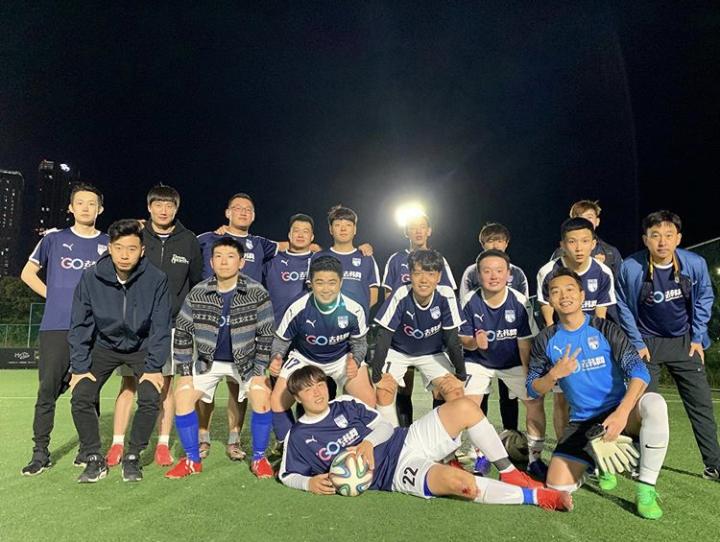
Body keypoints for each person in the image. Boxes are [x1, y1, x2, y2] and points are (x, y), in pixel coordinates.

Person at [278, 365, 572, 511]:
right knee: (463, 485)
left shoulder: (345, 404)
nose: (317, 392)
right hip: (395, 473)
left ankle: (510, 473)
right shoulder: (299, 435)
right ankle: (538, 497)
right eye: (307, 389)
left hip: (406, 439)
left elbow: (383, 427)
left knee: (465, 406)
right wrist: (308, 483)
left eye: (320, 384)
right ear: (297, 397)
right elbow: (288, 474)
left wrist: (367, 443)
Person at [527, 268, 669, 519]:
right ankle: (596, 461)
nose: (564, 296)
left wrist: (622, 413)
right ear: (549, 300)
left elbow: (639, 370)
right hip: (583, 422)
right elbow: (532, 387)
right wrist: (553, 375)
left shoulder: (604, 328)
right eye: (556, 292)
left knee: (655, 403)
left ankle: (646, 488)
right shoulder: (546, 339)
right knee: (556, 487)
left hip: (619, 412)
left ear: (582, 295)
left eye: (570, 289)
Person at [615, 210, 720, 481]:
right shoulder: (631, 267)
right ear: (645, 239)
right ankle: (639, 460)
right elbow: (623, 306)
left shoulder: (694, 263)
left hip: (684, 343)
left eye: (668, 235)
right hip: (646, 344)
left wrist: (697, 337)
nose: (662, 242)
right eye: (655, 236)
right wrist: (637, 342)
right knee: (644, 407)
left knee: (701, 405)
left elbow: (704, 298)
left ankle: (714, 465)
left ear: (678, 238)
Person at [68, 219, 171, 483]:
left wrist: (153, 368)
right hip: (105, 345)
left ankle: (133, 455)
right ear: (110, 248)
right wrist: (79, 368)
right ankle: (93, 457)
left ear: (142, 251)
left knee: (150, 395)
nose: (125, 255)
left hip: (141, 346)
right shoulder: (91, 276)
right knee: (81, 394)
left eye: (132, 249)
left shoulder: (156, 279)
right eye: (119, 248)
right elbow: (80, 323)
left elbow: (161, 325)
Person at [107, 184, 203, 468]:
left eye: (169, 205)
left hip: (171, 326)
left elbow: (196, 283)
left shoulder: (189, 240)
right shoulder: (136, 234)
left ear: (176, 208)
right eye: (158, 204)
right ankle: (117, 443)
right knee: (129, 384)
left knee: (165, 385)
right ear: (149, 207)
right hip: (135, 325)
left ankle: (162, 444)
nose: (164, 210)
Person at [164, 237, 275, 479]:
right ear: (212, 262)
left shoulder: (256, 291)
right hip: (208, 361)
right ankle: (192, 460)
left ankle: (259, 458)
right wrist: (184, 372)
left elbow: (267, 333)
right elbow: (182, 332)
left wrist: (259, 370)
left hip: (244, 362)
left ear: (241, 262)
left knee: (262, 396)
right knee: (182, 396)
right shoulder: (199, 292)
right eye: (219, 257)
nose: (224, 262)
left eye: (230, 256)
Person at [20, 183, 108, 476]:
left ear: (100, 209)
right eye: (80, 202)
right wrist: (54, 296)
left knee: (89, 391)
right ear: (71, 207)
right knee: (48, 390)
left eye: (91, 203)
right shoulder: (54, 239)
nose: (85, 207)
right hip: (57, 326)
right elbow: (27, 273)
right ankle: (40, 452)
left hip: (94, 329)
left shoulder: (109, 243)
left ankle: (87, 450)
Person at [195, 193, 280, 460]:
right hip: (210, 324)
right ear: (227, 212)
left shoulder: (260, 244)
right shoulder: (207, 238)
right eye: (237, 208)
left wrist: (314, 245)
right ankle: (202, 438)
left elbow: (292, 244)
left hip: (245, 326)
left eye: (248, 209)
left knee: (239, 389)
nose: (243, 212)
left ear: (253, 216)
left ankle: (234, 440)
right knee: (203, 389)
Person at [459, 250, 548, 480]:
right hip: (478, 361)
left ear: (508, 274)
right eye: (487, 271)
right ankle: (480, 456)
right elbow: (464, 339)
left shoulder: (519, 301)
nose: (494, 276)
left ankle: (535, 460)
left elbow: (525, 343)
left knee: (535, 401)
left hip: (512, 361)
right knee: (470, 407)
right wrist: (474, 342)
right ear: (478, 275)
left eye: (499, 270)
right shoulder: (469, 301)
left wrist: (529, 377)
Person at [270, 255, 376, 442]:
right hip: (305, 359)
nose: (326, 289)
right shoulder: (297, 307)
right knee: (277, 402)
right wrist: (277, 356)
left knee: (368, 402)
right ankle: (290, 446)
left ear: (340, 282)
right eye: (319, 282)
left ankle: (356, 444)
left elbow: (359, 342)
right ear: (311, 283)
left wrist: (356, 359)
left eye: (332, 282)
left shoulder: (354, 308)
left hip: (342, 358)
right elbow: (281, 340)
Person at [536, 217, 617, 438]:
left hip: (591, 343)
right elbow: (548, 316)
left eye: (584, 241)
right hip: (562, 344)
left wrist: (597, 348)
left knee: (598, 396)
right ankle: (565, 447)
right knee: (561, 399)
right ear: (562, 245)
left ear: (594, 243)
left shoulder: (603, 272)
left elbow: (600, 317)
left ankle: (598, 448)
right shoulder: (548, 271)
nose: (579, 248)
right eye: (572, 242)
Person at [372, 249, 466, 427]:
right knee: (384, 391)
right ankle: (393, 440)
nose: (424, 280)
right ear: (409, 275)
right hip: (398, 352)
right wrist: (377, 377)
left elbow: (452, 340)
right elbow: (383, 336)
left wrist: (460, 376)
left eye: (430, 274)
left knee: (455, 392)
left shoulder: (446, 295)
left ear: (439, 277)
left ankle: (445, 444)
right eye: (417, 273)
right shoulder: (401, 293)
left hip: (432, 353)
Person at [381, 213, 456, 427]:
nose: (418, 231)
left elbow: (447, 294)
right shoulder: (396, 259)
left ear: (429, 231)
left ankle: (437, 436)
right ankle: (404, 435)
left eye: (422, 226)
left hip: (432, 337)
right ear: (407, 232)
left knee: (440, 390)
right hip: (403, 337)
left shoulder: (438, 260)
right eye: (413, 227)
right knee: (403, 387)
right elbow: (388, 296)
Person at [459, 222, 529, 437]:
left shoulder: (517, 274)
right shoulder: (472, 272)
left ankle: (511, 436)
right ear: (482, 244)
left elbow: (523, 309)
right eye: (490, 241)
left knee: (509, 395)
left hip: (509, 347)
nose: (495, 245)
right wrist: (475, 338)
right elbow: (466, 305)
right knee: (480, 395)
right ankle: (481, 444)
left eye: (499, 240)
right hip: (480, 349)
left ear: (506, 243)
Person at [309, 205, 381, 317]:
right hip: (324, 322)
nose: (343, 229)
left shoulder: (366, 258)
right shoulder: (318, 257)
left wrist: (358, 315)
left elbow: (374, 295)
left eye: (348, 225)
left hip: (357, 323)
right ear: (330, 229)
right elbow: (311, 291)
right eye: (337, 225)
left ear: (355, 229)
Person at [263, 213, 315, 326]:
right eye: (296, 231)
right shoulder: (272, 261)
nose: (300, 235)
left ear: (312, 237)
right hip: (276, 329)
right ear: (289, 235)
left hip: (308, 330)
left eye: (305, 231)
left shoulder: (319, 261)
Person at [550, 200, 623, 278]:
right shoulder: (560, 252)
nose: (585, 221)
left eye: (589, 217)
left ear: (597, 221)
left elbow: (619, 282)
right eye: (579, 218)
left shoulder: (610, 253)